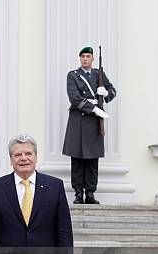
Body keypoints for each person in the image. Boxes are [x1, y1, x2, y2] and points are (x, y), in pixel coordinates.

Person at [62, 46, 116, 204]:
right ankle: (78, 193)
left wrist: (105, 93)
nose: (85, 59)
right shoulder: (73, 75)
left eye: (88, 56)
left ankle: (90, 193)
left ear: (92, 59)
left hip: (94, 123)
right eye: (83, 56)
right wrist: (94, 109)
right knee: (77, 159)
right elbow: (75, 98)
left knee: (92, 160)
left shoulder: (99, 74)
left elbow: (112, 91)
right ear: (80, 59)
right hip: (79, 120)